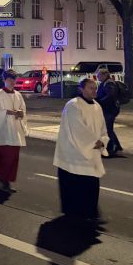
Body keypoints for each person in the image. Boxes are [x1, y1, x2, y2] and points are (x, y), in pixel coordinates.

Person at [54, 78, 108, 223]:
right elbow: (77, 130)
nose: (94, 90)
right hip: (74, 154)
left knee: (91, 185)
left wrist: (103, 140)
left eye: (95, 88)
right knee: (76, 186)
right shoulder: (73, 105)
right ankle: (77, 216)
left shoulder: (97, 106)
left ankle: (90, 212)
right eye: (90, 88)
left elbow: (103, 128)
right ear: (81, 89)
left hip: (92, 152)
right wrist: (93, 142)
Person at [0, 69, 28, 193]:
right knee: (5, 158)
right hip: (3, 132)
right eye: (10, 79)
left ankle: (7, 180)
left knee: (13, 158)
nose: (12, 82)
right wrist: (6, 112)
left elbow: (23, 110)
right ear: (4, 80)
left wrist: (21, 113)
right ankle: (2, 180)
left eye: (14, 79)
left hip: (15, 131)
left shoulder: (18, 95)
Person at [96, 68, 123, 157]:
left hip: (110, 109)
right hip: (108, 109)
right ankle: (116, 146)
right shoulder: (105, 83)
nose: (97, 77)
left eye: (99, 75)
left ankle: (112, 147)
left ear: (104, 75)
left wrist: (100, 101)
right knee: (108, 128)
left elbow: (110, 96)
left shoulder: (109, 83)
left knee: (108, 128)